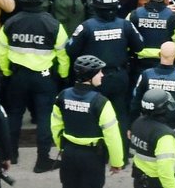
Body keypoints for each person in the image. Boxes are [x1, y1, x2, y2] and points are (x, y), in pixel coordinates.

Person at [0, 0, 70, 172]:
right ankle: (42, 160)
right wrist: (62, 76)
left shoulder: (10, 23)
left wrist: (6, 72)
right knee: (46, 117)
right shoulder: (53, 24)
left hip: (17, 77)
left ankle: (10, 155)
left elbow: (2, 52)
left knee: (14, 115)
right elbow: (63, 54)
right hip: (44, 78)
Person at [65, 0, 144, 157]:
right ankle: (121, 152)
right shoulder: (125, 24)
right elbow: (140, 46)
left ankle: (98, 151)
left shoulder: (86, 27)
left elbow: (70, 50)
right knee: (120, 114)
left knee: (95, 114)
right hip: (119, 76)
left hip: (93, 77)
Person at [51, 55, 125, 188]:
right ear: (90, 76)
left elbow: (55, 127)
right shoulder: (101, 102)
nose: (102, 75)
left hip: (68, 153)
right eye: (99, 72)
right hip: (92, 157)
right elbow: (112, 136)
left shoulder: (62, 96)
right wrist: (117, 161)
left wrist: (61, 148)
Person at [130, 42, 175, 147]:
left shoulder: (146, 75)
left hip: (148, 126)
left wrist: (132, 127)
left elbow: (135, 103)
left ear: (159, 54)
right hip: (174, 128)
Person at [129, 88, 175, 188]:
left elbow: (134, 151)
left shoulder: (138, 123)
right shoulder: (164, 136)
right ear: (163, 109)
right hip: (157, 182)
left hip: (140, 178)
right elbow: (165, 171)